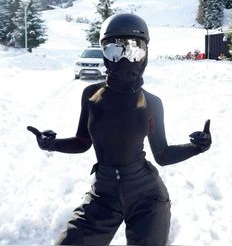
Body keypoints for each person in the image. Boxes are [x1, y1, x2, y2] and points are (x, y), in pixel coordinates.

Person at [27, 13, 212, 246]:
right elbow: (83, 142)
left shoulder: (151, 103)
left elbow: (162, 155)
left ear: (145, 54)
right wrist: (51, 144)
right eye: (114, 50)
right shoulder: (92, 96)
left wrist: (197, 147)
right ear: (104, 52)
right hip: (103, 194)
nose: (125, 59)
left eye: (134, 50)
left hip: (147, 196)